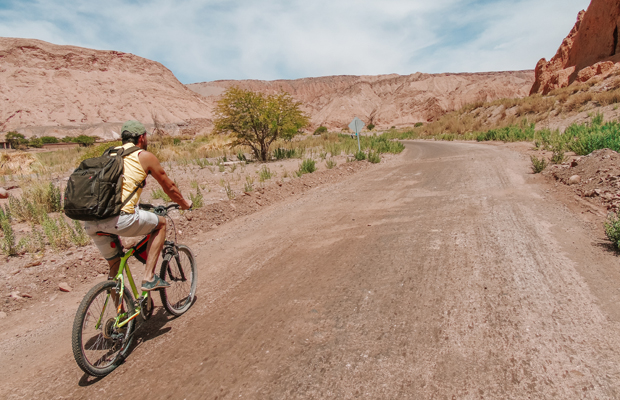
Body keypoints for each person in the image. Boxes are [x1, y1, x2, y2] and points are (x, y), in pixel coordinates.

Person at [84, 120, 192, 291]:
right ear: (142, 137)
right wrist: (184, 204)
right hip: (120, 218)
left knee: (115, 268)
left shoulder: (109, 154)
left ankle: (121, 313)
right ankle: (149, 277)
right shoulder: (144, 156)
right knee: (161, 223)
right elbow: (169, 187)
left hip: (91, 221)